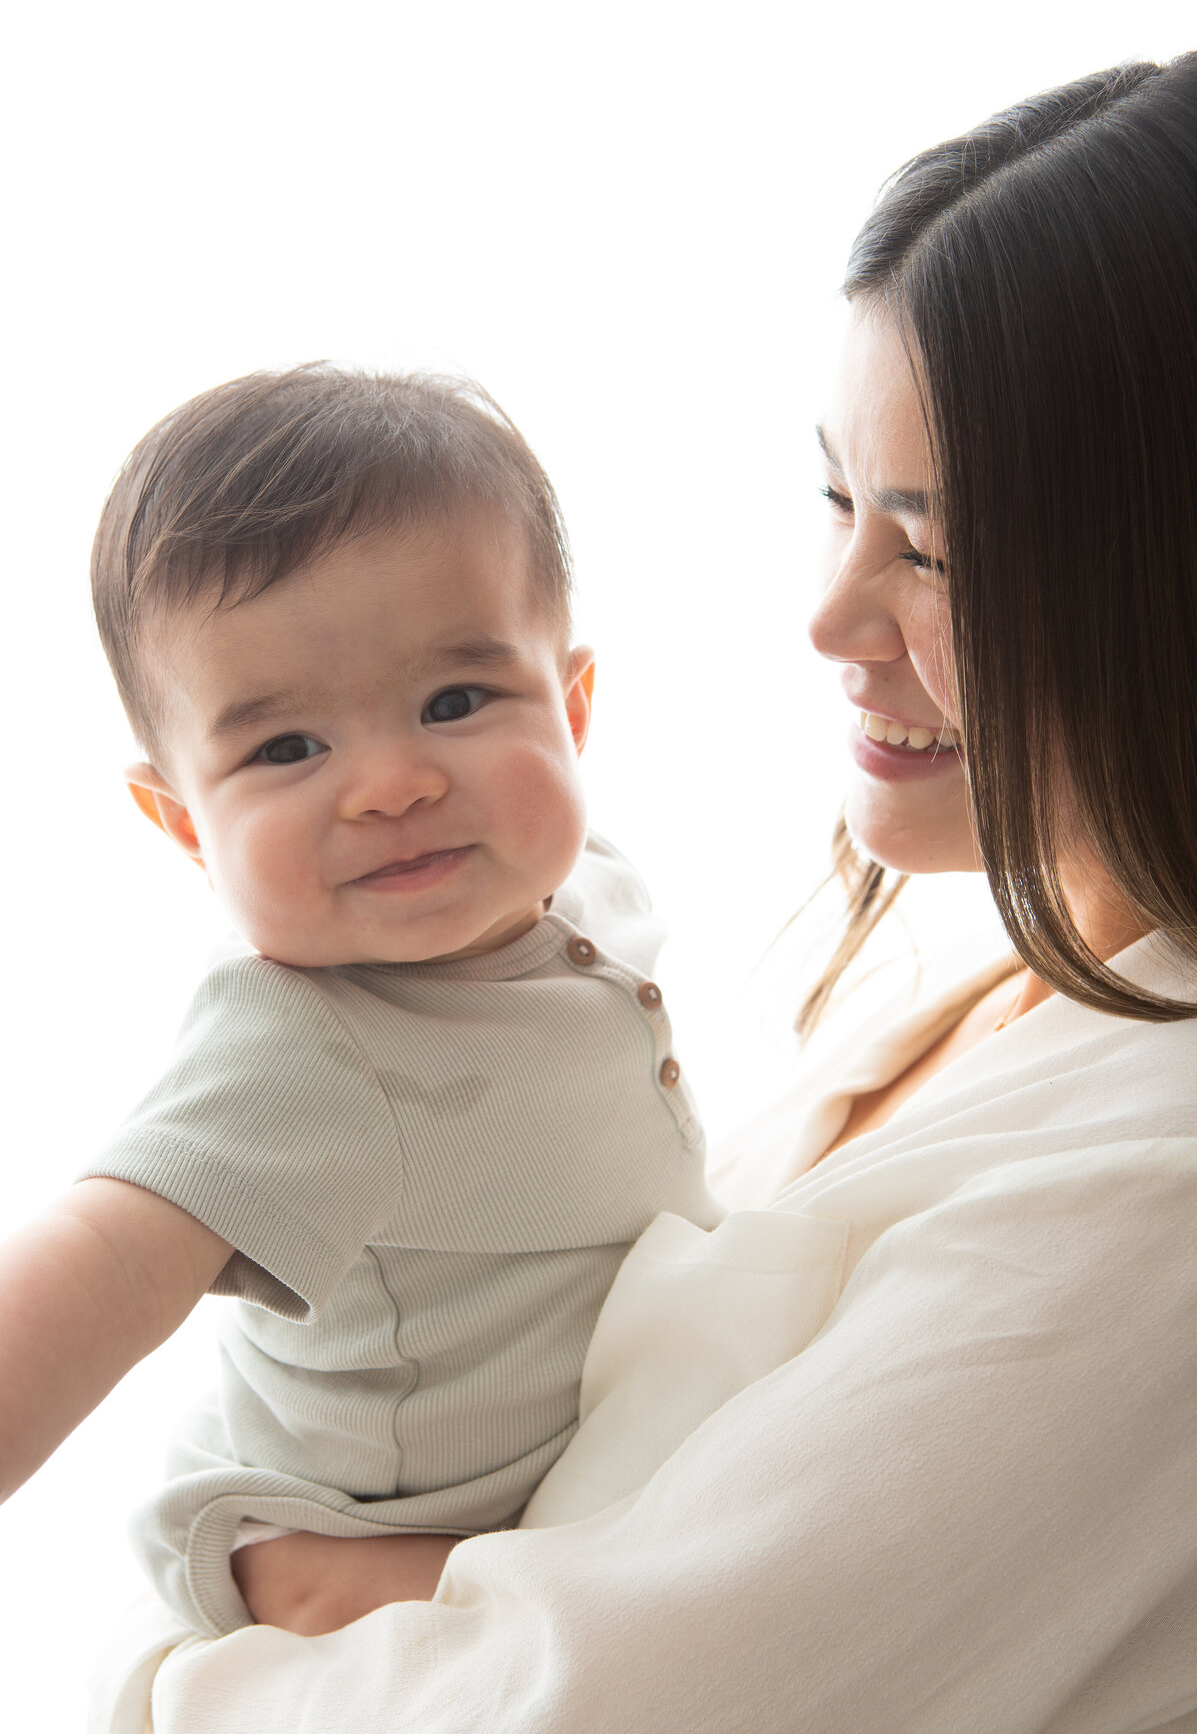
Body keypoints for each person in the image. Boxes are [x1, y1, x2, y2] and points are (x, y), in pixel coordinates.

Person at [89, 52, 1197, 1734]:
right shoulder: (984, 981)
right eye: (838, 498)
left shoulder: (1158, 1193)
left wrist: (199, 1652)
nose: (831, 616)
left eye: (932, 547)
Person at [0, 367, 720, 1643]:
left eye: (453, 703)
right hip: (367, 1519)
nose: (390, 784)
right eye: (286, 749)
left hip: (572, 1418)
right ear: (183, 825)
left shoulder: (576, 878)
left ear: (573, 706)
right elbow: (104, 1258)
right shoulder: (302, 1042)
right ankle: (274, 1581)